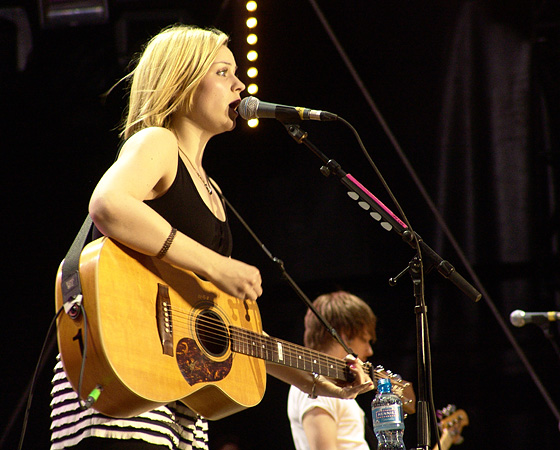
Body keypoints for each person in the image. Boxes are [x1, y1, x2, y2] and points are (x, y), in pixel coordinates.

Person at [49, 24, 373, 450]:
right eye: (223, 72)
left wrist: (317, 380)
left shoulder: (215, 192)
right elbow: (109, 205)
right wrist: (216, 264)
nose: (240, 84)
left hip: (178, 411)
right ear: (181, 81)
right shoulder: (158, 143)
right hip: (122, 394)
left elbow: (227, 334)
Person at [287, 291, 416, 450]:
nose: (369, 351)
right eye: (364, 340)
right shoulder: (315, 382)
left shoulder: (332, 382)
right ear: (346, 335)